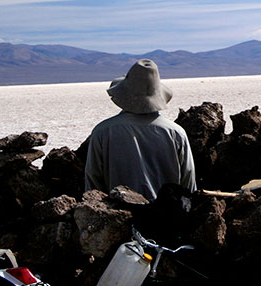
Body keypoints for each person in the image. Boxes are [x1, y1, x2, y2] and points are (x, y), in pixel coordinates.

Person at [84, 59, 196, 200]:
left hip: (117, 215)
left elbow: (93, 180)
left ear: (123, 92)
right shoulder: (176, 133)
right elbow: (188, 181)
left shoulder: (102, 132)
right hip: (168, 216)